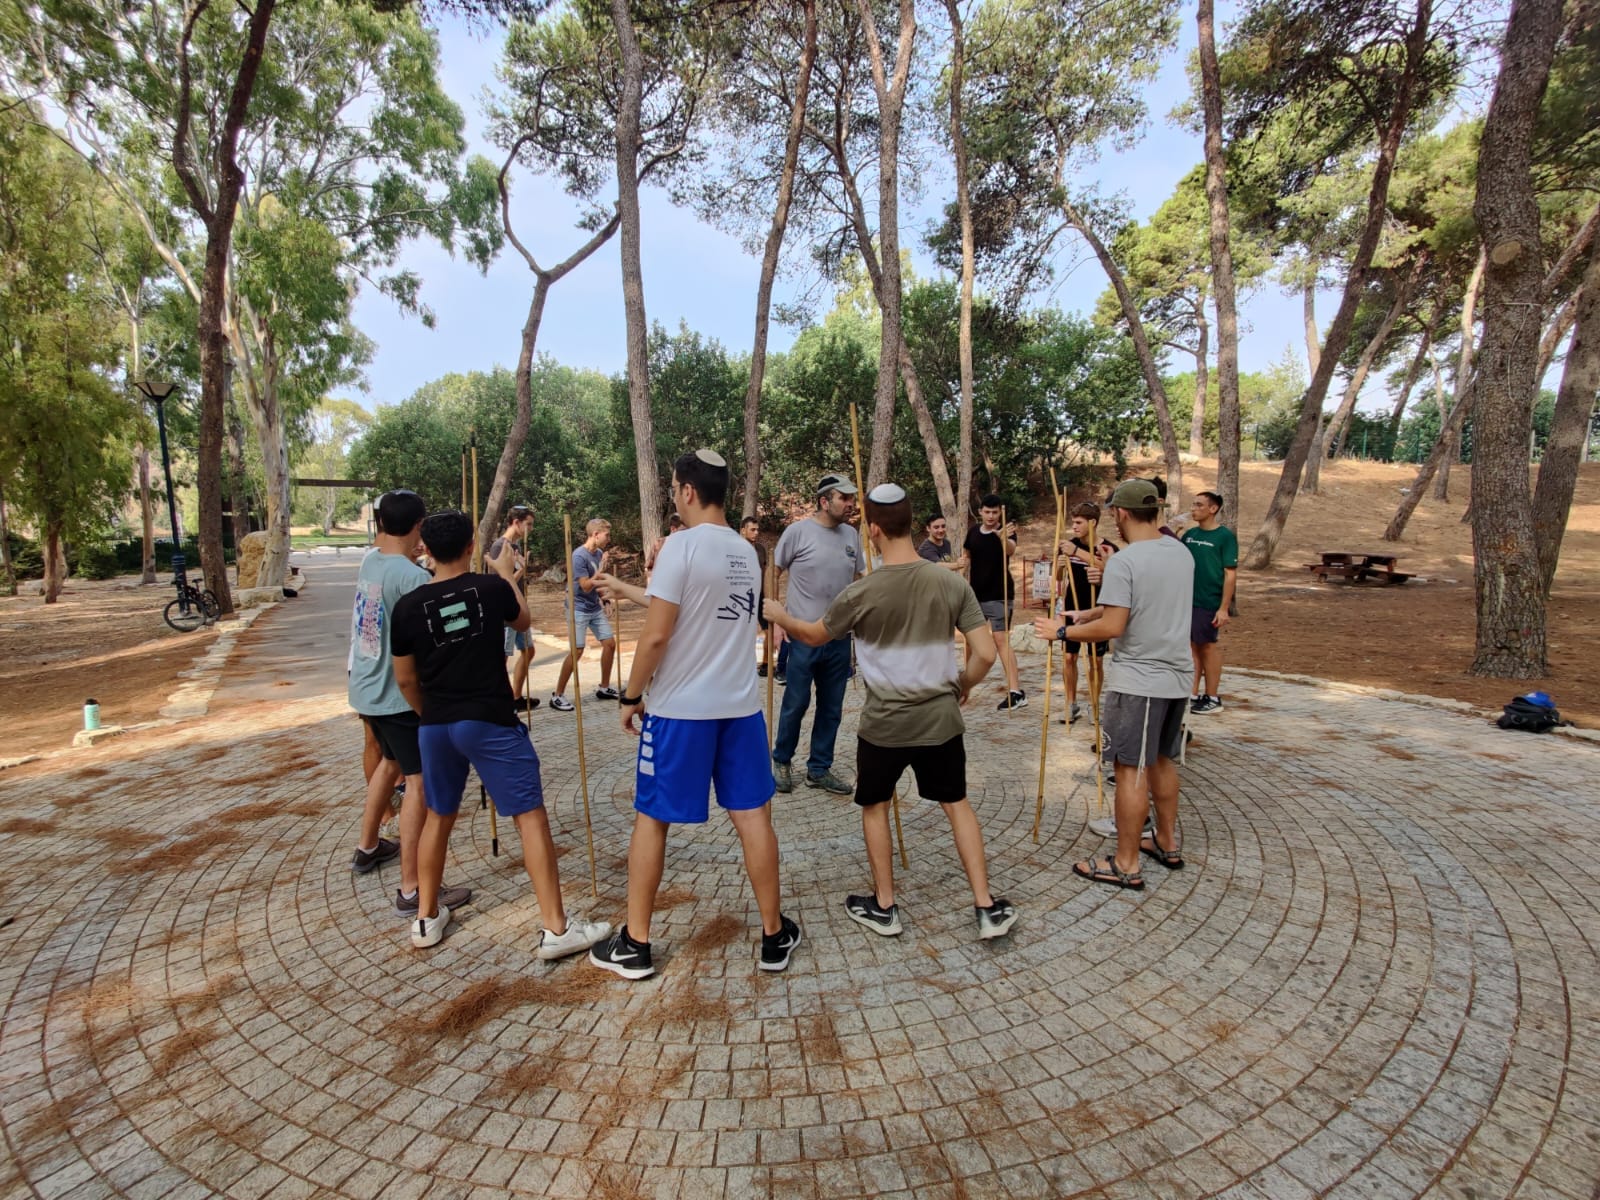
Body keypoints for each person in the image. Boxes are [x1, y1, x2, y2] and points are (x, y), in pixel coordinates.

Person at [766, 484, 1018, 941]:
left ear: (874, 531)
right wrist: (962, 685)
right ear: (910, 523)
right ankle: (985, 905)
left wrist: (780, 616)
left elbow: (814, 635)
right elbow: (985, 654)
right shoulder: (950, 583)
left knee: (875, 807)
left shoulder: (861, 592)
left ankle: (885, 906)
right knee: (957, 804)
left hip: (884, 725)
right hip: (940, 719)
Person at [589, 450, 799, 980]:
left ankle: (636, 943)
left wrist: (630, 696)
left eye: (673, 490)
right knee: (754, 818)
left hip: (680, 713)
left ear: (686, 491)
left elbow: (657, 635)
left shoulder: (681, 546)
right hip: (740, 709)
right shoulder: (746, 552)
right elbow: (699, 614)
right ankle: (773, 934)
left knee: (652, 819)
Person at [390, 510, 611, 955]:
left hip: (436, 725)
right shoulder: (489, 588)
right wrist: (507, 574)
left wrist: (430, 713)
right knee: (529, 817)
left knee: (439, 816)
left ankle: (425, 918)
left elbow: (406, 679)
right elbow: (523, 621)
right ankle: (556, 928)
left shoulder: (408, 607)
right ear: (471, 546)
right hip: (489, 719)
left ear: (426, 550)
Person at [1033, 479, 1193, 890]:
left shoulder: (1126, 560)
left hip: (1140, 681)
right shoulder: (1179, 552)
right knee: (1161, 760)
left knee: (1128, 769)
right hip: (1177, 677)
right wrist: (1084, 615)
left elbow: (1115, 625)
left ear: (1120, 513)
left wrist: (1061, 632)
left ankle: (1125, 862)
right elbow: (1139, 605)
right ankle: (1166, 841)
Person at [346, 489, 471, 918]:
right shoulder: (411, 578)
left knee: (389, 763)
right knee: (418, 783)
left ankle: (368, 846)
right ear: (418, 526)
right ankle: (413, 888)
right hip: (396, 696)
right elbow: (448, 624)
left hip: (367, 688)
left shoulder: (371, 561)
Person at [768, 474, 861, 795]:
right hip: (802, 636)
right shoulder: (798, 532)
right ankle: (782, 760)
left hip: (839, 637)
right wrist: (777, 620)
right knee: (796, 702)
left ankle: (819, 769)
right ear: (824, 501)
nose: (851, 504)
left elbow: (860, 579)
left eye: (852, 498)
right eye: (844, 498)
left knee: (832, 708)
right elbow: (773, 570)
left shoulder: (852, 535)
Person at [1055, 502, 1117, 726]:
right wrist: (1060, 565)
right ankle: (1071, 704)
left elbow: (1111, 570)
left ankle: (1094, 703)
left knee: (1095, 660)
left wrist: (1077, 553)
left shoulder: (1107, 548)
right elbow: (1058, 578)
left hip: (1097, 611)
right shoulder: (1068, 546)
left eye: (1079, 522)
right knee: (1069, 657)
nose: (1074, 527)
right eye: (1073, 522)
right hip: (1072, 608)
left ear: (1093, 523)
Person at [963, 495, 1025, 709]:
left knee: (1000, 640)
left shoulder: (1006, 531)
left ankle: (1015, 691)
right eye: (987, 512)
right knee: (971, 640)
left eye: (995, 512)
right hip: (975, 595)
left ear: (1000, 513)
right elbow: (967, 556)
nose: (991, 516)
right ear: (980, 511)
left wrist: (1002, 538)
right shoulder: (973, 532)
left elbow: (1011, 550)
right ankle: (966, 684)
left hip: (1000, 594)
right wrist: (960, 566)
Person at [551, 518, 618, 710]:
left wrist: (606, 600)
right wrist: (601, 569)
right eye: (606, 535)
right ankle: (558, 695)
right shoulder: (578, 556)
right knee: (577, 651)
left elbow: (597, 585)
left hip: (593, 606)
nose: (609, 539)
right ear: (595, 535)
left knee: (610, 644)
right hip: (577, 607)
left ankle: (604, 687)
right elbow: (586, 585)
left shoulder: (598, 553)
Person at [1181, 491, 1238, 714]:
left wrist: (1223, 608)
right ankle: (1192, 693)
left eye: (1199, 505)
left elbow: (1230, 574)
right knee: (1191, 646)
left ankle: (1212, 697)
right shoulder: (1189, 535)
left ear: (1213, 509)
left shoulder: (1224, 537)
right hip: (1188, 600)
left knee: (1207, 646)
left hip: (1209, 601)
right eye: (1193, 504)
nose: (1193, 509)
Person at [490, 506, 540, 709]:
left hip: (518, 608)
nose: (531, 529)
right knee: (502, 657)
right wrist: (521, 570)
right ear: (516, 522)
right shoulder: (500, 547)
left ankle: (516, 696)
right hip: (505, 610)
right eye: (529, 524)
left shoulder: (515, 546)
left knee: (528, 650)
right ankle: (500, 700)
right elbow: (501, 581)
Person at [741, 516, 774, 677]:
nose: (756, 533)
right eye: (752, 530)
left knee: (768, 627)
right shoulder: (737, 549)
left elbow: (766, 571)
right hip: (743, 595)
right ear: (743, 530)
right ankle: (743, 664)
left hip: (760, 593)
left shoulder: (760, 549)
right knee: (744, 630)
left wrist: (769, 593)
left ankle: (766, 664)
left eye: (757, 530)